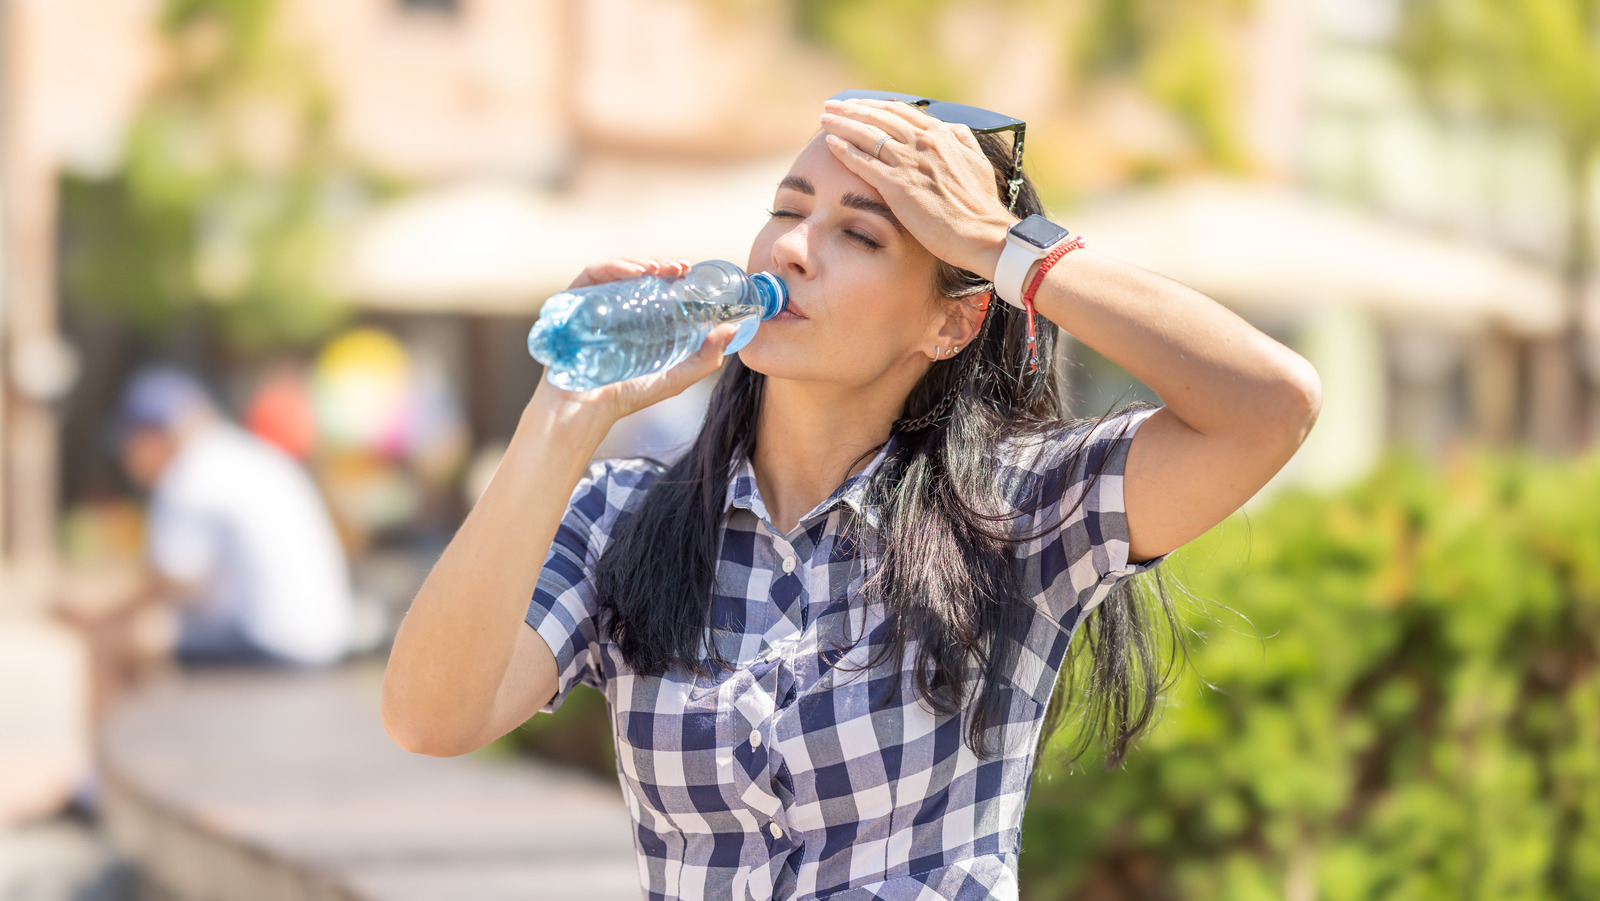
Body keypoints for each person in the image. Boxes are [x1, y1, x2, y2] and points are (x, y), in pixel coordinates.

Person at [381, 91, 1322, 900]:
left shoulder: (1019, 510)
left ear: (952, 320)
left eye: (859, 234)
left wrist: (1007, 248)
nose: (792, 248)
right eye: (787, 209)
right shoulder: (627, 517)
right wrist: (566, 414)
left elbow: (1270, 407)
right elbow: (432, 716)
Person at [104, 366, 354, 669]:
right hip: (323, 640)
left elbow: (175, 579)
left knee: (135, 641)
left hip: (274, 645)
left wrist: (102, 617)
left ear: (151, 438)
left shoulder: (192, 472)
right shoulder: (237, 453)